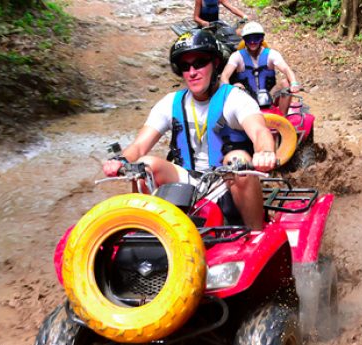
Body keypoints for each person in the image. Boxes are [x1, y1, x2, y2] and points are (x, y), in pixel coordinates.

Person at [102, 30, 276, 230]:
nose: (192, 72)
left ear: (216, 63)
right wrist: (121, 160)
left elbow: (259, 132)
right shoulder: (170, 103)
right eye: (185, 66)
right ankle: (147, 233)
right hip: (187, 180)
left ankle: (256, 233)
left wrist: (265, 152)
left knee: (238, 158)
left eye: (200, 63)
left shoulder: (235, 98)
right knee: (143, 167)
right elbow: (140, 146)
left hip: (225, 180)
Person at [220, 21, 301, 116]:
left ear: (262, 39)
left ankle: (282, 120)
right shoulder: (237, 56)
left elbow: (286, 69)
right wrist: (228, 88)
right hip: (247, 98)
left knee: (285, 83)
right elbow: (224, 76)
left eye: (256, 38)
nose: (253, 42)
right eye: (249, 39)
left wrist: (294, 83)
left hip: (270, 95)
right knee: (237, 85)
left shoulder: (271, 54)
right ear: (244, 40)